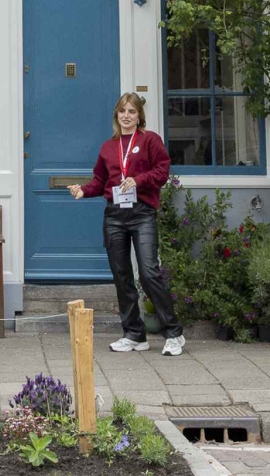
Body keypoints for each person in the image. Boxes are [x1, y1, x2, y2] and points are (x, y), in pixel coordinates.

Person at [68, 91, 185, 356]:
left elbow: (162, 171)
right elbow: (100, 181)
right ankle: (134, 334)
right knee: (121, 275)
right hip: (114, 216)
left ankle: (174, 333)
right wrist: (83, 190)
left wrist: (138, 180)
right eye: (122, 111)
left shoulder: (150, 140)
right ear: (116, 115)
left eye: (132, 111)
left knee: (148, 272)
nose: (126, 116)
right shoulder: (108, 147)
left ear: (139, 116)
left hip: (142, 213)